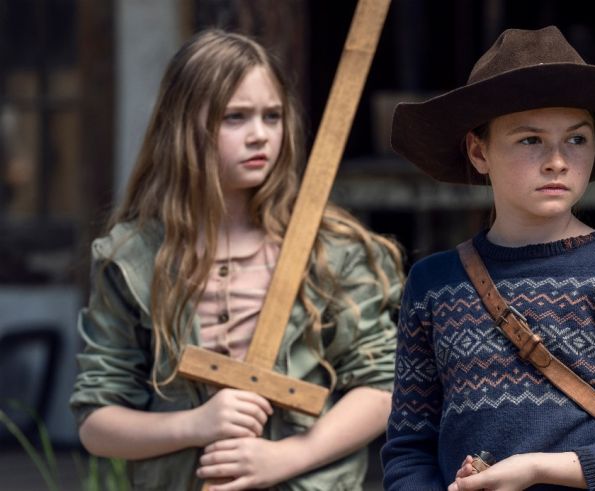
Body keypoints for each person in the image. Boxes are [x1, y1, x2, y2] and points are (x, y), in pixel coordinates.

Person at [70, 29, 403, 491]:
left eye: (272, 116)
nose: (260, 136)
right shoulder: (132, 258)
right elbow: (96, 423)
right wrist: (195, 425)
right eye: (235, 117)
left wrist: (286, 457)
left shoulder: (331, 251)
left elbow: (383, 386)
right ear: (184, 125)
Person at [381, 26, 595, 490]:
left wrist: (536, 468)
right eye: (529, 140)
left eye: (576, 139)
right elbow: (408, 448)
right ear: (479, 151)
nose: (557, 160)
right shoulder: (434, 284)